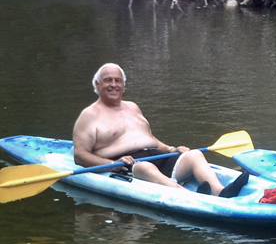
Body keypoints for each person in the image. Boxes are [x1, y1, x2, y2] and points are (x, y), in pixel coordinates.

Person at [72, 63, 248, 197]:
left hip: (158, 156)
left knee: (194, 154)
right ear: (97, 84)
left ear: (124, 85)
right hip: (129, 166)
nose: (113, 85)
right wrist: (111, 165)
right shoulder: (89, 115)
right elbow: (80, 155)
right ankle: (188, 196)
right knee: (146, 168)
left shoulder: (133, 107)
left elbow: (149, 138)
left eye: (118, 80)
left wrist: (171, 149)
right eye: (107, 80)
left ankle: (220, 192)